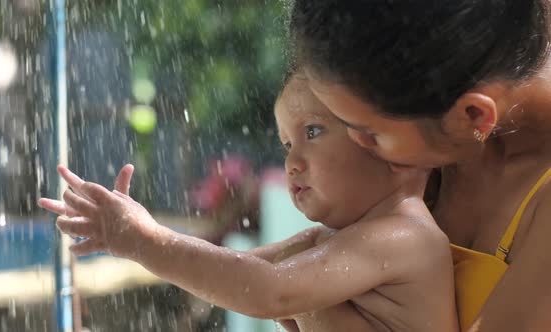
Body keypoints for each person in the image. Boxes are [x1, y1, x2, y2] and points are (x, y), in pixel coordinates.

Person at [38, 75, 459, 332]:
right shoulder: (335, 240)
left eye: (313, 132)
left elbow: (266, 290)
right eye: (287, 143)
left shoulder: (403, 235)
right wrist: (129, 242)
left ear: (391, 144)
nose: (291, 161)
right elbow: (234, 274)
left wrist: (143, 240)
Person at [289, 1, 551, 331]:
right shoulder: (437, 122)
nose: (355, 144)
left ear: (472, 116)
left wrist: (313, 308)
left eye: (371, 133)